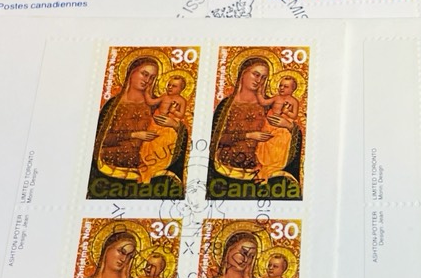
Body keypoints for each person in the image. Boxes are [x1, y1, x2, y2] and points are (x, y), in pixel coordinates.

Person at [90, 56, 188, 194]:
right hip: (112, 165)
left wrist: (175, 126)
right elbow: (100, 141)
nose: (147, 80)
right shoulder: (112, 106)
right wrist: (134, 135)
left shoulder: (156, 104)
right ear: (131, 72)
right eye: (144, 74)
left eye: (152, 78)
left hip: (152, 163)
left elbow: (179, 135)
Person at [210, 56, 302, 187]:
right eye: (256, 74)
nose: (259, 81)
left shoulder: (270, 105)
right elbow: (216, 140)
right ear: (243, 73)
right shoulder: (225, 106)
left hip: (264, 170)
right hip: (225, 170)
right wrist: (249, 135)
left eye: (263, 78)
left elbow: (289, 135)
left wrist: (289, 126)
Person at [138, 74, 189, 184]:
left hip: (167, 128)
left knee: (163, 143)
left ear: (181, 89)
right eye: (169, 85)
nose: (170, 87)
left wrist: (173, 111)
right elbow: (151, 102)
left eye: (174, 86)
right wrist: (147, 92)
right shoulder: (164, 96)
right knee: (148, 144)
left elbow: (181, 115)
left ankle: (156, 164)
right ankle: (146, 164)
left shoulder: (181, 100)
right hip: (154, 124)